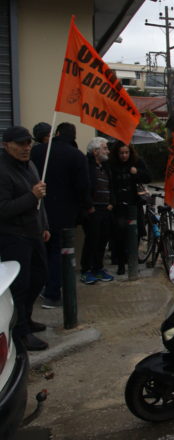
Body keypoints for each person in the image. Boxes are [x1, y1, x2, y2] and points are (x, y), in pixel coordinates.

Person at [0, 126, 50, 351]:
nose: (26, 147)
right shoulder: (3, 170)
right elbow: (3, 209)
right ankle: (21, 332)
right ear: (6, 145)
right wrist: (31, 196)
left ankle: (27, 318)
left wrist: (44, 225)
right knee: (20, 286)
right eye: (20, 144)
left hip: (34, 232)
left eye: (28, 143)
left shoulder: (30, 165)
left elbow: (40, 199)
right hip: (14, 236)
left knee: (39, 277)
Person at [30, 122, 90, 308]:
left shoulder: (37, 151)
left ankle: (42, 288)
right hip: (64, 213)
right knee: (59, 253)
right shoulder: (76, 156)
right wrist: (87, 207)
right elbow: (83, 186)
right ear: (73, 136)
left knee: (42, 252)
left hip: (37, 210)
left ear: (56, 133)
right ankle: (53, 294)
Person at [109, 141, 151, 275]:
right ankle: (121, 263)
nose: (124, 155)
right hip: (119, 205)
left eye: (126, 152)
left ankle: (132, 260)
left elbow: (148, 177)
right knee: (119, 235)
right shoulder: (112, 165)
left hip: (134, 205)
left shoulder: (137, 162)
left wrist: (136, 172)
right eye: (121, 153)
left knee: (135, 234)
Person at [81, 137, 115, 284]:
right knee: (92, 240)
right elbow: (83, 187)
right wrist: (90, 206)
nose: (107, 151)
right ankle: (86, 270)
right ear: (95, 151)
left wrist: (111, 202)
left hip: (105, 209)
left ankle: (98, 268)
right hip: (93, 210)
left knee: (103, 240)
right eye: (105, 148)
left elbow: (111, 185)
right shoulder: (86, 166)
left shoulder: (105, 166)